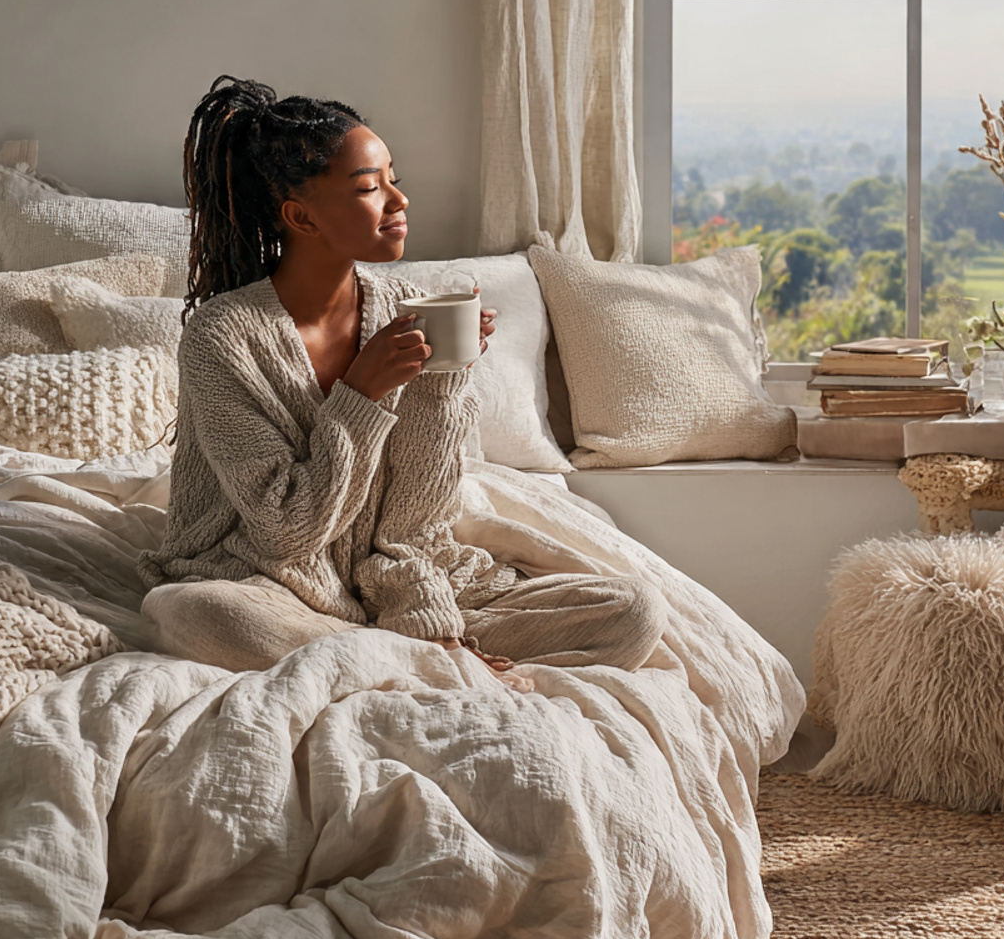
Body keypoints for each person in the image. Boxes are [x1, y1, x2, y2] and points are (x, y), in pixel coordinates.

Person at [138, 75, 667, 675]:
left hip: (389, 581)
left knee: (633, 610)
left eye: (395, 179)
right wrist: (362, 391)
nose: (399, 201)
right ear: (300, 217)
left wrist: (443, 383)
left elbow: (416, 521)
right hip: (269, 581)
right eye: (370, 187)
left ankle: (383, 656)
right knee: (195, 613)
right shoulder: (221, 336)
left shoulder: (408, 309)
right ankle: (418, 664)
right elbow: (286, 529)